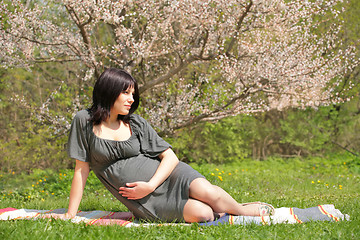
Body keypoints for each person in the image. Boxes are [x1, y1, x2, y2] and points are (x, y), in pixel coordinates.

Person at [59, 68, 274, 223]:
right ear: (108, 91)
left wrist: (151, 184)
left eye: (133, 93)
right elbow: (81, 169)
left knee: (209, 192)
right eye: (126, 93)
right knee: (204, 214)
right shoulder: (84, 121)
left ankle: (240, 210)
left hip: (166, 177)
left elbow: (170, 157)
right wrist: (71, 213)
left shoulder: (135, 122)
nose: (131, 99)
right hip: (145, 199)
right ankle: (222, 209)